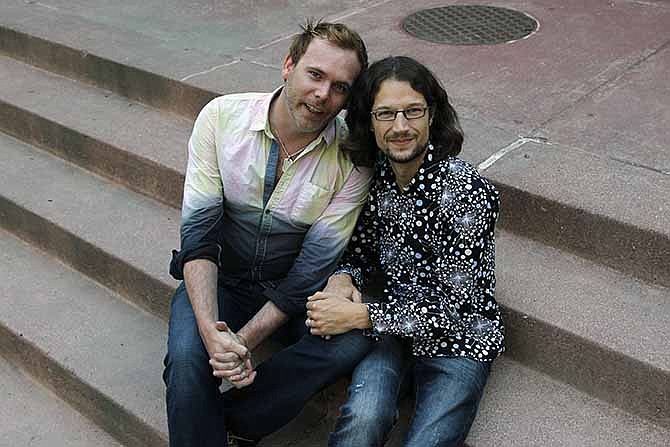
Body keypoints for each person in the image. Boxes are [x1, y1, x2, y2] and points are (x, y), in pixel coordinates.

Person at [163, 20, 375, 447]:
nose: (322, 95)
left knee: (349, 344)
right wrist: (210, 329)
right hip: (221, 277)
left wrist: (239, 344)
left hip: (291, 286)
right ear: (288, 65)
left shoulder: (353, 157)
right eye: (315, 75)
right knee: (188, 358)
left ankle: (233, 420)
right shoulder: (221, 118)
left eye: (340, 87)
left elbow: (312, 269)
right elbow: (199, 236)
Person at [305, 56, 506, 447]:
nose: (400, 127)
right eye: (386, 114)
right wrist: (341, 280)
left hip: (459, 339)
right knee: (362, 420)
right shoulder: (379, 175)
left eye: (412, 111)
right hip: (391, 331)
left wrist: (360, 314)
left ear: (431, 115)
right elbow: (360, 252)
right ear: (370, 121)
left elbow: (450, 307)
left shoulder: (466, 193)